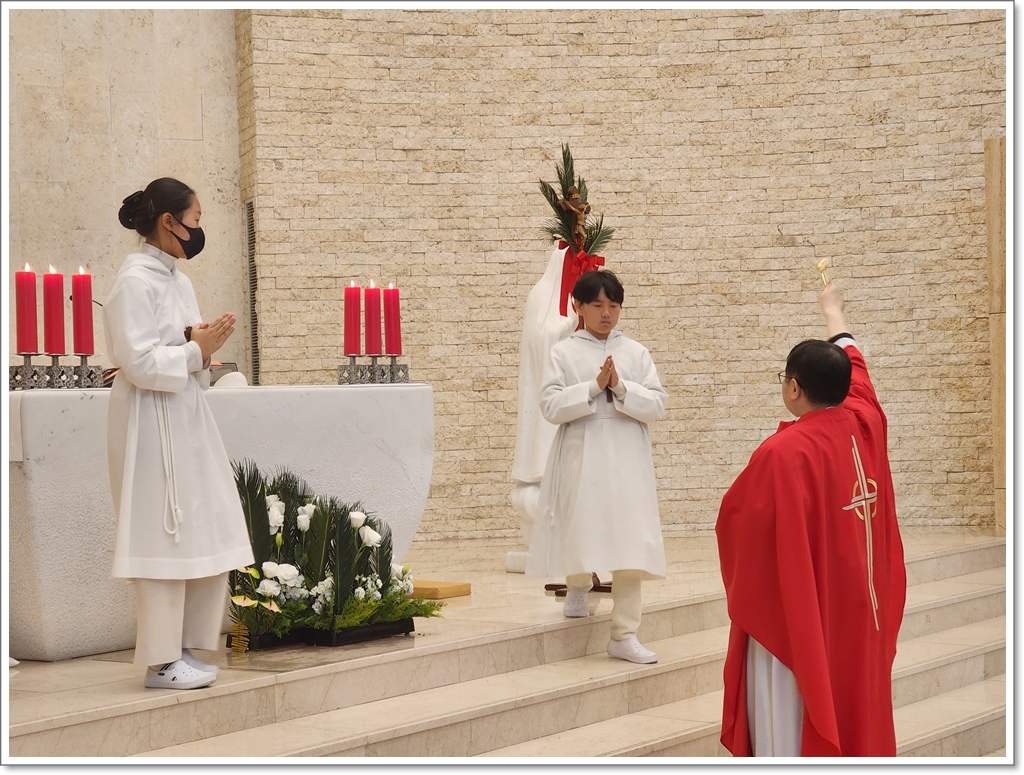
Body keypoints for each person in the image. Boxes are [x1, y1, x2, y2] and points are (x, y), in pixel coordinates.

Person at [715, 282, 906, 756]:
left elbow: (736, 526)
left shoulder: (783, 453)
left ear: (794, 387)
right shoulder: (866, 422)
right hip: (860, 612)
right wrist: (833, 312)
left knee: (798, 707)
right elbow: (858, 369)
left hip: (803, 621)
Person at [105, 177, 254, 690]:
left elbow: (185, 352)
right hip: (149, 420)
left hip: (186, 414)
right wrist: (195, 349)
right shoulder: (133, 281)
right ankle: (161, 661)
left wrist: (201, 347)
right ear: (168, 222)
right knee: (161, 532)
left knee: (207, 523)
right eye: (194, 220)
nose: (198, 230)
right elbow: (138, 362)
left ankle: (187, 646)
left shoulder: (178, 281)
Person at [526, 270, 668, 664]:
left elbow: (657, 404)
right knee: (581, 524)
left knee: (630, 539)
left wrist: (620, 386)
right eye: (597, 305)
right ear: (578, 306)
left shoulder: (636, 352)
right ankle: (577, 584)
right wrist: (593, 386)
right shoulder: (563, 353)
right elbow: (550, 406)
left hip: (628, 455)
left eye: (614, 305)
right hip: (582, 449)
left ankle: (624, 634)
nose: (606, 313)